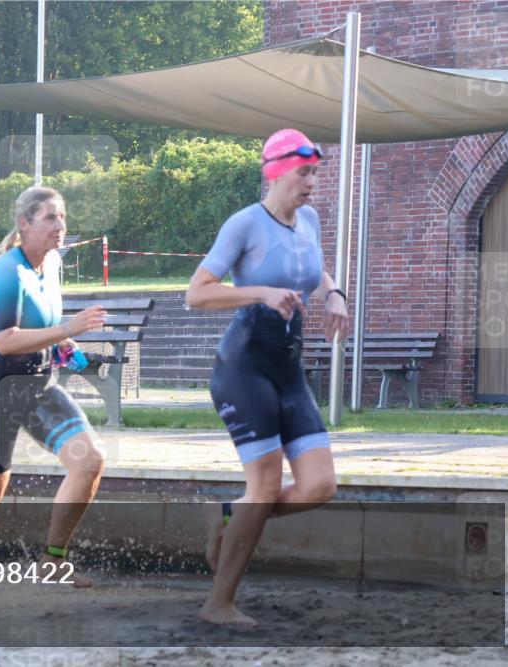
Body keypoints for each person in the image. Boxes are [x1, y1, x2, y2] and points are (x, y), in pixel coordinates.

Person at [185, 128, 349, 627]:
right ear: (274, 172)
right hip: (245, 365)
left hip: (288, 369)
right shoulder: (245, 225)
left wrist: (334, 292)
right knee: (265, 484)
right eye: (304, 173)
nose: (312, 183)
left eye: (315, 173)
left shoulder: (311, 220)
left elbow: (313, 271)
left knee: (320, 485)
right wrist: (259, 292)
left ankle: (227, 516)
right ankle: (219, 603)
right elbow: (197, 293)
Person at [0, 187, 108, 604]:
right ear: (24, 225)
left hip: (39, 384)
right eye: (50, 217)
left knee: (90, 460)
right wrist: (69, 329)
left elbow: (41, 323)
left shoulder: (51, 264)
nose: (60, 226)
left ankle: (52, 559)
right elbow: (6, 339)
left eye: (63, 217)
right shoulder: (7, 272)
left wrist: (69, 350)